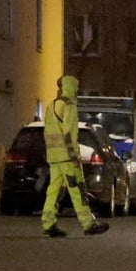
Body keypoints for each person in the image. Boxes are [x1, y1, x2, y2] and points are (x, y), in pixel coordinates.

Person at [41, 75, 109, 237]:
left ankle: (48, 223)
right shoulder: (69, 106)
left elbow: (47, 131)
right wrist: (74, 157)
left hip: (54, 156)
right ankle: (88, 224)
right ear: (71, 88)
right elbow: (69, 134)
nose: (77, 92)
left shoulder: (52, 106)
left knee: (53, 191)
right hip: (67, 157)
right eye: (76, 89)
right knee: (78, 189)